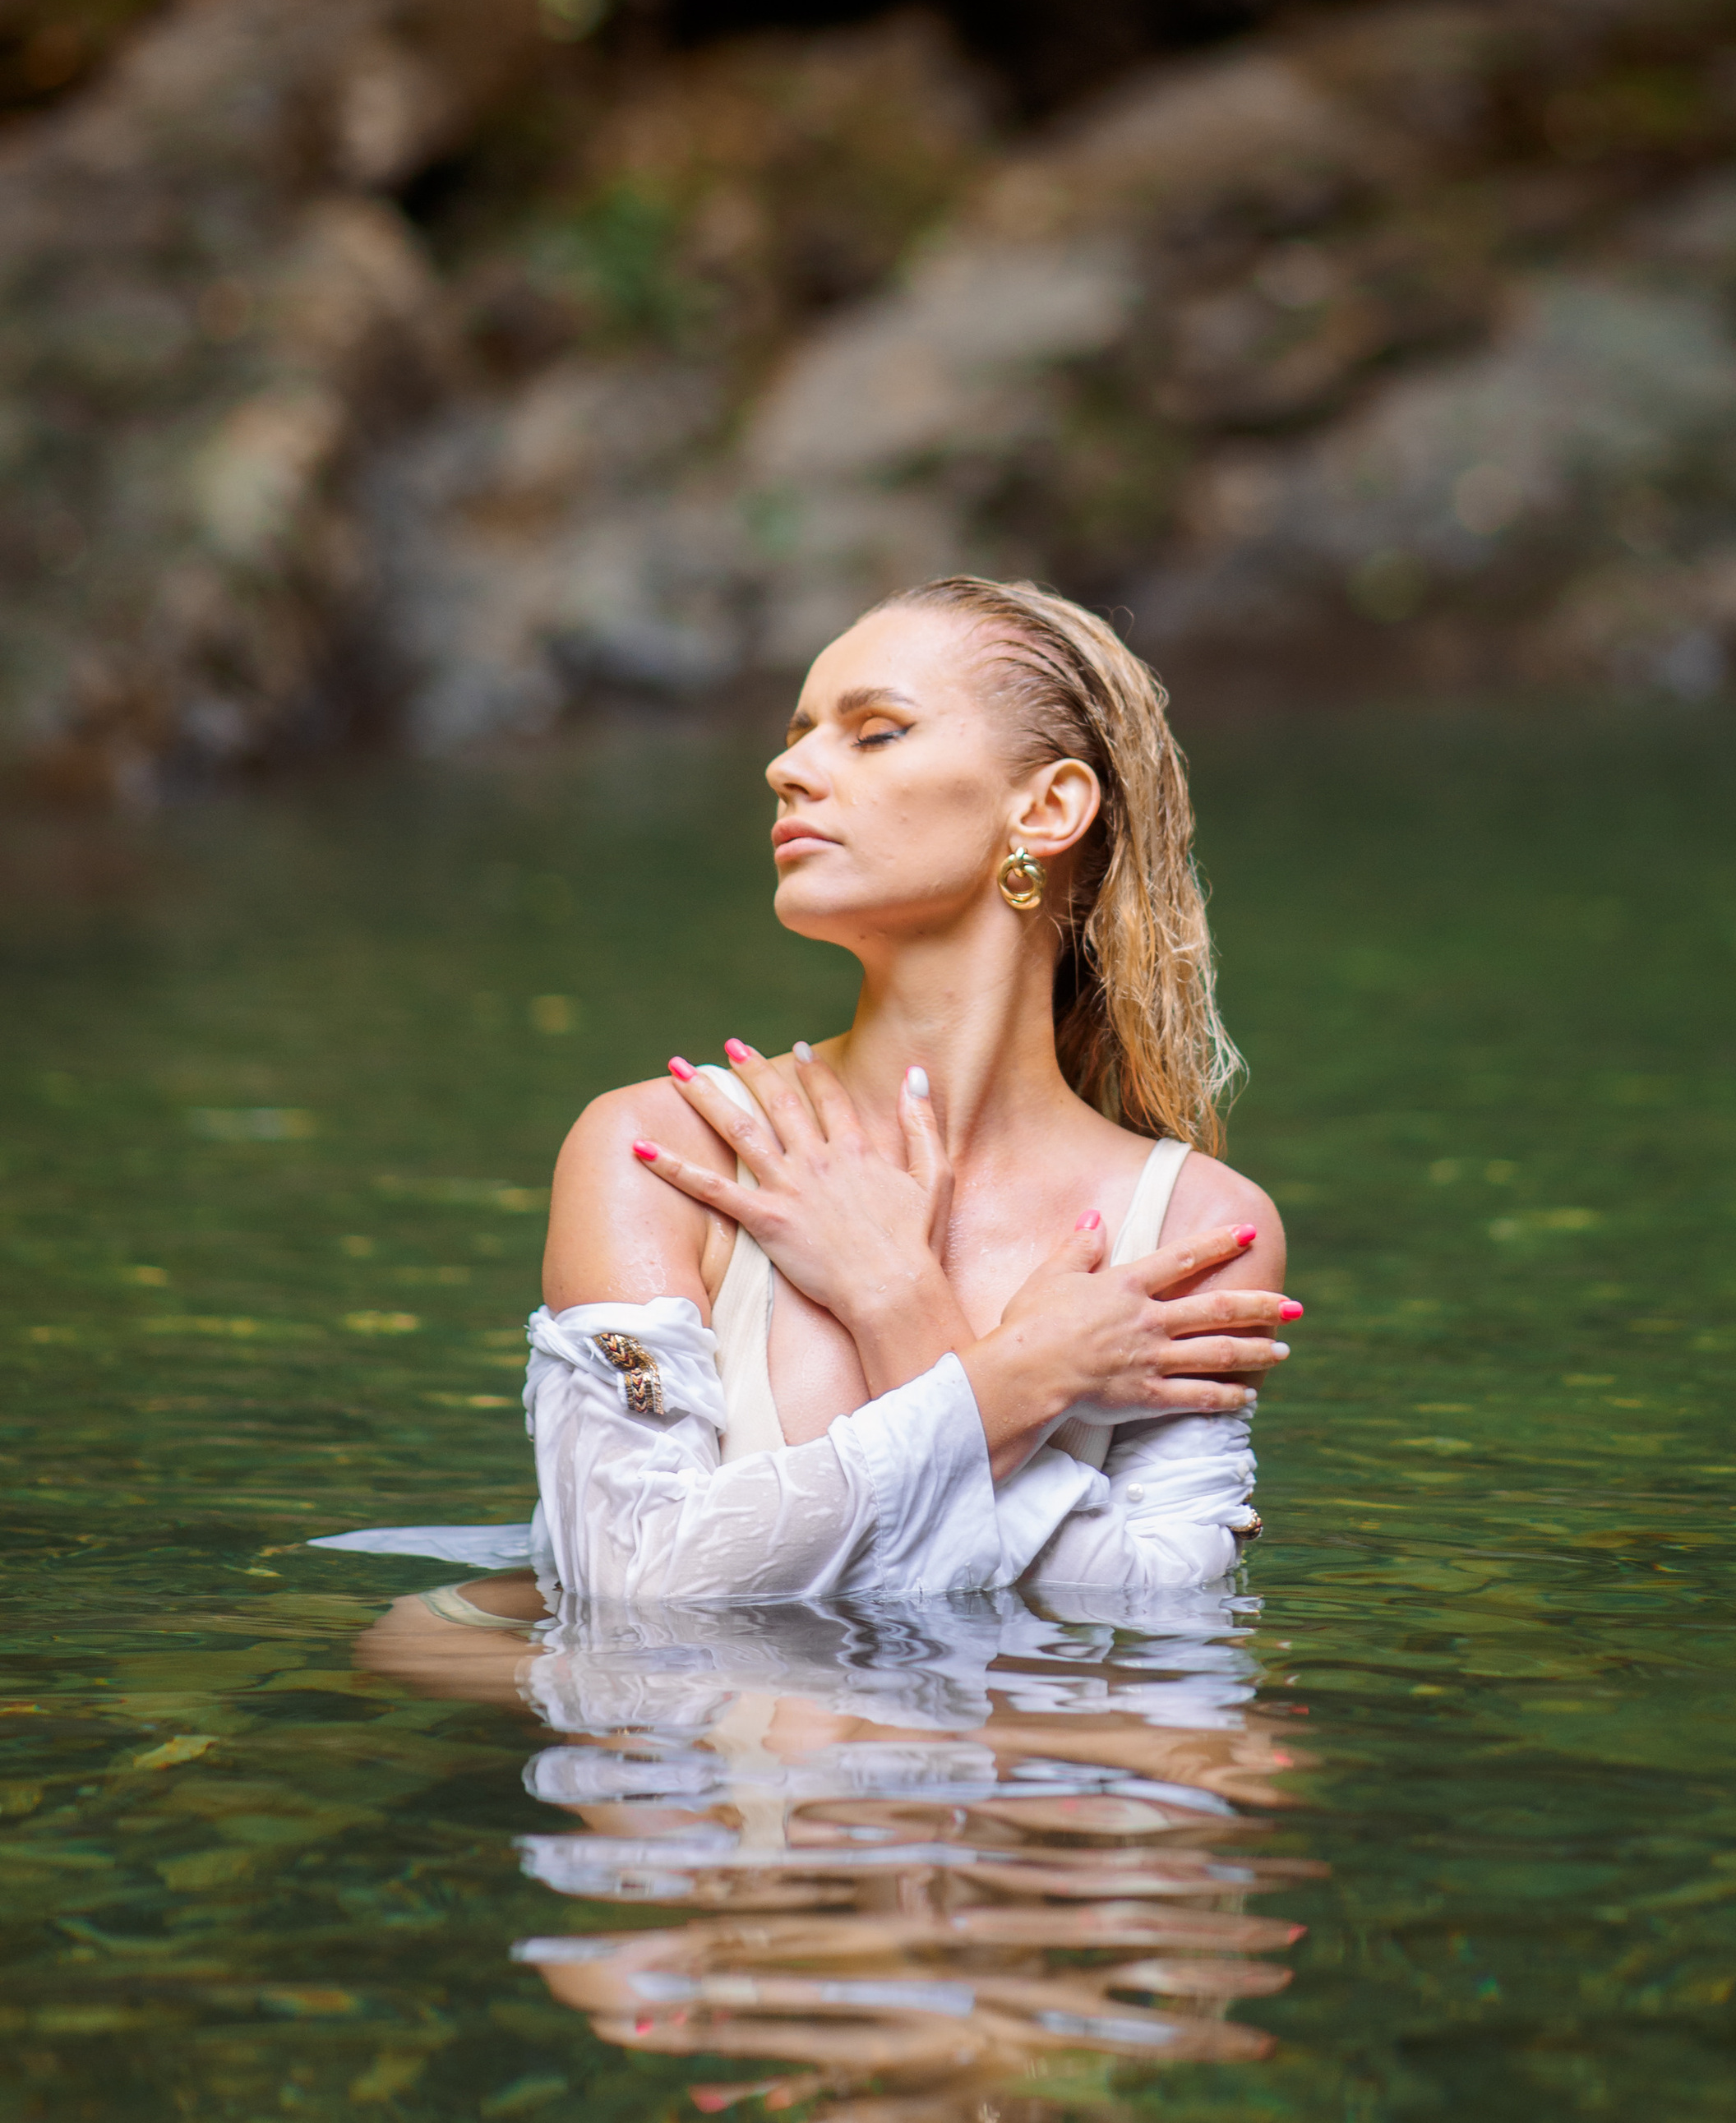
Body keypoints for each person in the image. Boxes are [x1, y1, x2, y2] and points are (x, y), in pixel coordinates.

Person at [320, 575, 1294, 1611]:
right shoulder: (659, 1155)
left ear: (1046, 808)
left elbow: (1156, 1614)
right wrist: (1008, 1382)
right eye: (797, 734)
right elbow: (631, 1583)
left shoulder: (1194, 1229)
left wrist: (902, 1309)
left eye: (874, 732)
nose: (787, 769)